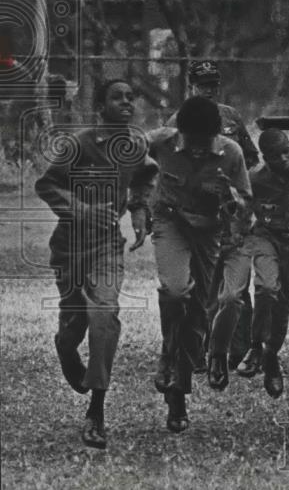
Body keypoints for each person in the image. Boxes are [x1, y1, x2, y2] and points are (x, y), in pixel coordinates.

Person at [35, 78, 158, 449]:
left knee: (105, 315)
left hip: (106, 246)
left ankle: (97, 412)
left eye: (130, 97)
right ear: (102, 106)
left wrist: (138, 209)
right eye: (117, 97)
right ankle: (65, 347)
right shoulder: (81, 143)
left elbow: (147, 174)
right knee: (74, 324)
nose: (126, 102)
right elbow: (47, 185)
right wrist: (83, 210)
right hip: (70, 246)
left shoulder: (134, 145)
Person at [147, 96, 251, 432]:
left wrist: (230, 197)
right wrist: (135, 198)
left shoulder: (231, 154)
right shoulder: (158, 141)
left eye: (203, 142)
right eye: (190, 141)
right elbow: (125, 156)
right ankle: (167, 353)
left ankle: (178, 394)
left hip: (208, 231)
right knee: (176, 291)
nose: (195, 150)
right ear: (179, 133)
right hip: (171, 223)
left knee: (197, 315)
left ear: (216, 136)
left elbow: (245, 206)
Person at [167, 59, 258, 370]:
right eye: (202, 83)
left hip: (229, 211)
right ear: (190, 86)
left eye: (213, 83)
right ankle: (196, 350)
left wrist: (243, 198)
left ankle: (239, 349)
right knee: (199, 284)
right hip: (195, 213)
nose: (208, 89)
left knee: (236, 286)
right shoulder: (177, 120)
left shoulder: (230, 117)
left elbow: (251, 159)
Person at [232, 129, 289, 397]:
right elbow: (243, 210)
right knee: (265, 287)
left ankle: (271, 355)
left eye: (286, 151)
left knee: (282, 299)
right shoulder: (256, 178)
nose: (283, 159)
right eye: (275, 156)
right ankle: (256, 346)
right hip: (265, 237)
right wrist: (236, 235)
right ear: (265, 157)